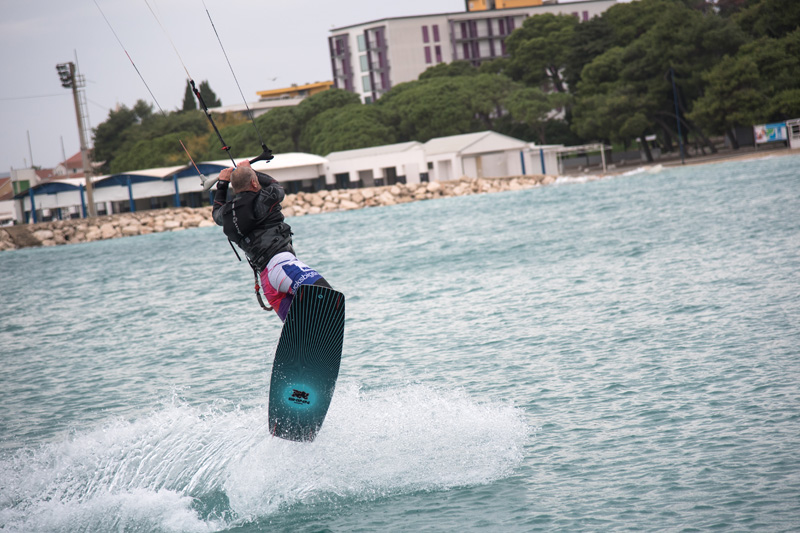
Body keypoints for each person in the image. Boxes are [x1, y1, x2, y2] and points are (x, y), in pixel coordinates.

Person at [212, 160, 331, 321]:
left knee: (300, 328)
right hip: (282, 266)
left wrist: (222, 184)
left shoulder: (225, 214)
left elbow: (216, 213)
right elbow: (276, 186)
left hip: (268, 283)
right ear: (254, 183)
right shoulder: (263, 200)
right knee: (326, 296)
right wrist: (250, 169)